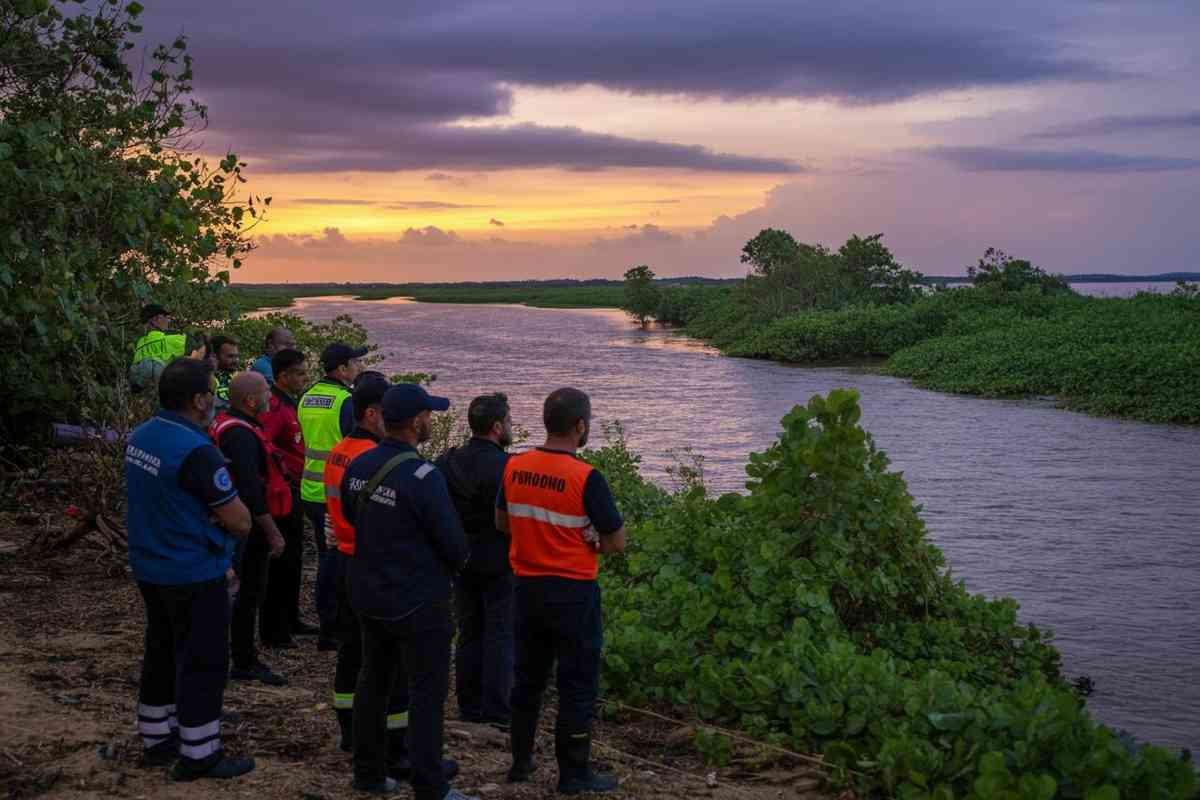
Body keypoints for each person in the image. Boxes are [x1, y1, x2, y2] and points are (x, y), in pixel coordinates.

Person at [125, 357, 255, 781]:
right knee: (203, 660)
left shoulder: (142, 435)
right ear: (199, 400)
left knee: (161, 650)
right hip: (193, 570)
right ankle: (200, 754)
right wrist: (221, 519)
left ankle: (156, 737)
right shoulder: (198, 451)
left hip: (150, 565)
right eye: (212, 393)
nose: (216, 401)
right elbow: (240, 520)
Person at [341, 384, 473, 799]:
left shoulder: (359, 465)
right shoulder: (424, 476)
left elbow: (350, 514)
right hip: (418, 601)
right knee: (426, 694)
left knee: (372, 682)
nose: (431, 421)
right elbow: (454, 546)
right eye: (428, 416)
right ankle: (431, 787)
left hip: (368, 591)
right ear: (417, 422)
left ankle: (367, 774)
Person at [496, 388, 626, 794]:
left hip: (527, 588)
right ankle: (573, 773)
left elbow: (502, 523)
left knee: (527, 679)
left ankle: (520, 762)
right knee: (576, 683)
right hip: (573, 591)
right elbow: (615, 542)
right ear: (580, 426)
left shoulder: (515, 467)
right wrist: (585, 539)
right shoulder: (586, 476)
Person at [435, 393, 514, 727]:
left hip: (459, 556)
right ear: (497, 427)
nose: (511, 426)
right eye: (509, 421)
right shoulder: (509, 467)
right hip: (498, 557)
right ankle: (496, 709)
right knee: (499, 633)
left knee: (468, 630)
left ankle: (469, 705)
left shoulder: (447, 460)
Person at [321, 372, 389, 753]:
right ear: (370, 413)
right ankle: (374, 735)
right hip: (366, 563)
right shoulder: (369, 458)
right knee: (375, 656)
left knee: (349, 652)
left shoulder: (339, 451)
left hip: (343, 557)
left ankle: (348, 728)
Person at [210, 372, 287, 687]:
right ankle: (243, 659)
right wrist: (272, 531)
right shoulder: (240, 434)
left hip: (237, 523)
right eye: (267, 392)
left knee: (243, 592)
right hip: (246, 527)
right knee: (247, 592)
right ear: (251, 400)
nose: (271, 397)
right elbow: (250, 489)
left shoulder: (228, 423)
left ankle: (239, 653)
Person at [298, 342, 366, 649]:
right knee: (334, 561)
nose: (359, 368)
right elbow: (355, 443)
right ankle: (332, 628)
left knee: (328, 558)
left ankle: (331, 623)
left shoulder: (308, 395)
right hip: (334, 493)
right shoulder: (345, 401)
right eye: (355, 362)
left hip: (311, 489)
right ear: (341, 369)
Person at [258, 348, 319, 647]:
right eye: (300, 373)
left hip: (294, 488)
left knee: (293, 559)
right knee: (281, 563)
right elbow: (264, 446)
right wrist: (281, 476)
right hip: (281, 492)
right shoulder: (273, 407)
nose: (304, 378)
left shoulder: (290, 403)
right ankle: (274, 629)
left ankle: (291, 618)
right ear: (283, 375)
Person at [129, 304, 189, 392]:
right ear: (156, 319)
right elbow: (201, 348)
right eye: (165, 317)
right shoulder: (170, 338)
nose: (168, 321)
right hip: (167, 393)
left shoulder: (140, 344)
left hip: (145, 395)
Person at [210, 335, 241, 413]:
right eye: (230, 356)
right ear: (215, 356)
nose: (236, 360)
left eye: (237, 356)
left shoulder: (239, 377)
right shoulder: (205, 379)